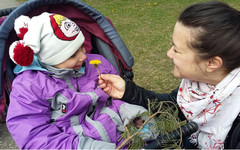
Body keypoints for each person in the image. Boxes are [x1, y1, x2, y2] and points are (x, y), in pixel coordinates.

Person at [99, 1, 240, 149]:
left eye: (177, 50)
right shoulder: (199, 84)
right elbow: (174, 106)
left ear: (211, 63)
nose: (169, 53)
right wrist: (127, 91)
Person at [6, 12, 158, 149]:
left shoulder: (97, 64)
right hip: (73, 144)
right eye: (72, 54)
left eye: (82, 47)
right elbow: (35, 136)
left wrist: (131, 114)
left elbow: (112, 101)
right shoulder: (29, 86)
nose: (83, 56)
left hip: (120, 136)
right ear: (50, 58)